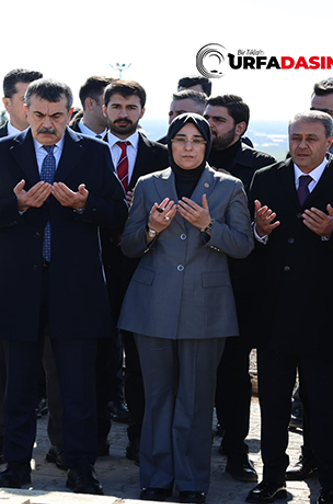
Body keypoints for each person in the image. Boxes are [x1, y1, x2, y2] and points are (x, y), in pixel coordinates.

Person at [0, 78, 127, 495]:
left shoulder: (94, 152)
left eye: (57, 116)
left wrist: (85, 206)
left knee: (77, 386)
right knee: (19, 386)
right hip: (16, 287)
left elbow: (117, 212)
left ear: (71, 113)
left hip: (75, 288)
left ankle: (80, 467)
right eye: (40, 116)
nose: (48, 124)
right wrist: (17, 206)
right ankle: (15, 466)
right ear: (25, 111)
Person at [118, 113, 253, 504]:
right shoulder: (148, 184)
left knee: (195, 400)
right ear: (170, 144)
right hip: (151, 305)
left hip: (206, 308)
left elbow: (243, 245)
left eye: (197, 140)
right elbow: (129, 244)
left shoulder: (229, 187)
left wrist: (210, 226)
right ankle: (156, 477)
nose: (188, 147)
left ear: (207, 145)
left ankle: (193, 482)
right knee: (156, 397)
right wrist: (152, 230)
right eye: (181, 139)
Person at [246, 111, 333, 504]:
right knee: (274, 403)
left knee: (326, 405)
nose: (302, 145)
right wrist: (259, 232)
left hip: (325, 318)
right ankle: (273, 478)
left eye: (311, 139)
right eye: (295, 137)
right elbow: (251, 245)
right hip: (274, 315)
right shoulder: (266, 179)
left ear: (330, 141)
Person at [0, 68, 43, 467]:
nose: (39, 112)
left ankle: (57, 440)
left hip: (52, 268)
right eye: (27, 100)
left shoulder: (70, 146)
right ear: (9, 104)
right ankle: (0, 435)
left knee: (49, 356)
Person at [204, 94, 276, 483]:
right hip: (193, 282)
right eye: (207, 118)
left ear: (240, 127)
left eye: (218, 120)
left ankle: (236, 451)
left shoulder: (262, 169)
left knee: (233, 373)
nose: (210, 125)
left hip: (240, 285)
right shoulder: (185, 157)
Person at [100, 79, 169, 464]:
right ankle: (93, 439)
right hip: (95, 268)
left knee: (142, 364)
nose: (123, 114)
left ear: (142, 111)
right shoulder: (87, 151)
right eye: (116, 107)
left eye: (131, 107)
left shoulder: (161, 156)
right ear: (104, 109)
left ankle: (141, 441)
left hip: (145, 269)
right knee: (96, 359)